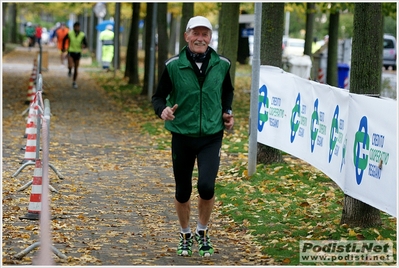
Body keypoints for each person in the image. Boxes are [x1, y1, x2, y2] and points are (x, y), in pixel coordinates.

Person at [151, 16, 234, 257]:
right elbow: (158, 97)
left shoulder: (223, 64)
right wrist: (162, 110)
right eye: (195, 33)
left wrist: (227, 112)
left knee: (206, 186)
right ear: (187, 36)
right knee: (183, 190)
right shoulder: (173, 65)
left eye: (205, 34)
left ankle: (203, 230)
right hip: (182, 135)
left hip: (211, 135)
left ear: (210, 37)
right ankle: (185, 233)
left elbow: (227, 91)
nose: (200, 38)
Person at [62, 22, 87, 89]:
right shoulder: (70, 33)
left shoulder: (82, 35)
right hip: (71, 51)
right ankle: (69, 70)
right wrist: (63, 48)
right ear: (74, 27)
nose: (77, 28)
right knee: (70, 65)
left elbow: (85, 43)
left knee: (76, 68)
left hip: (78, 52)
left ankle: (74, 81)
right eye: (76, 27)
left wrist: (84, 46)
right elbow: (64, 39)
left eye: (78, 27)